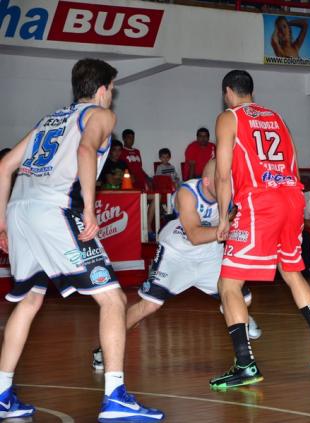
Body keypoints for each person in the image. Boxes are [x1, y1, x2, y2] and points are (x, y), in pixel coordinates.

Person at [0, 59, 163, 421]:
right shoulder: (101, 116)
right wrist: (89, 208)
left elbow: (4, 166)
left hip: (20, 209)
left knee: (28, 300)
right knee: (114, 299)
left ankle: (1, 393)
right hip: (56, 209)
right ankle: (116, 396)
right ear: (103, 89)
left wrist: (3, 223)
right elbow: (86, 151)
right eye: (113, 90)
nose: (112, 97)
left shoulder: (49, 119)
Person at [211, 70, 310, 389]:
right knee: (292, 272)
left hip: (259, 202)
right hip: (292, 197)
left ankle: (245, 364)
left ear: (228, 92)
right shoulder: (277, 116)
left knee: (229, 284)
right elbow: (292, 162)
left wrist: (224, 217)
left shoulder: (229, 117)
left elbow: (223, 175)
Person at [92, 161, 261, 370]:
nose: (227, 188)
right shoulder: (187, 193)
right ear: (206, 181)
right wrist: (229, 231)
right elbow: (194, 235)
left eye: (228, 182)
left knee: (243, 297)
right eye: (222, 182)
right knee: (149, 305)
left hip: (210, 254)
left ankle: (234, 311)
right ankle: (103, 348)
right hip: (176, 254)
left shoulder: (232, 191)